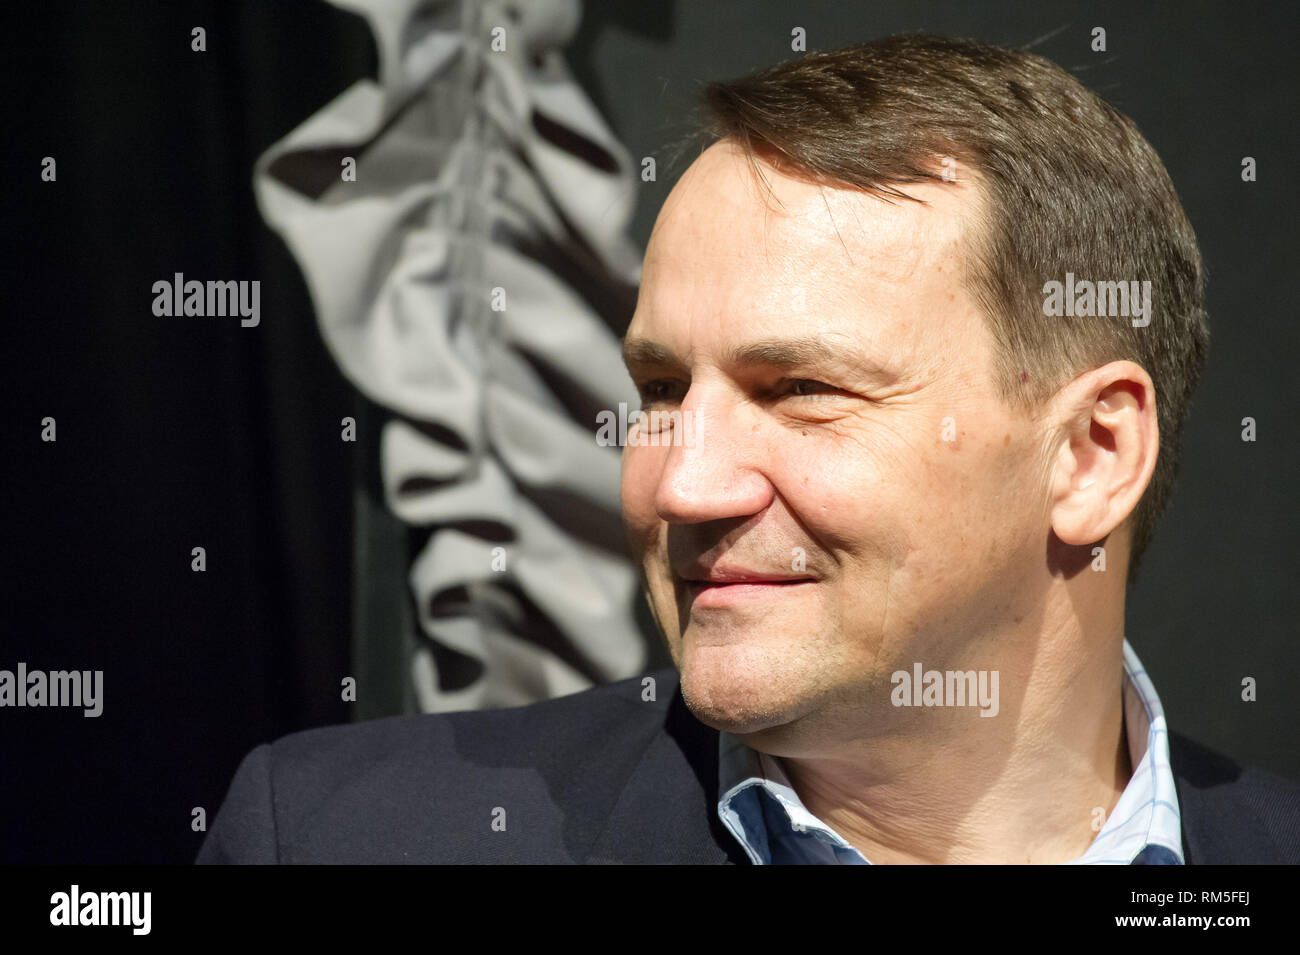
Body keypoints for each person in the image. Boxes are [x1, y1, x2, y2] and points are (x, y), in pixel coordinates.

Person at [197, 34, 1300, 865]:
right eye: (663, 388)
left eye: (802, 390)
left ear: (1091, 454)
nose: (682, 483)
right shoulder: (352, 840)